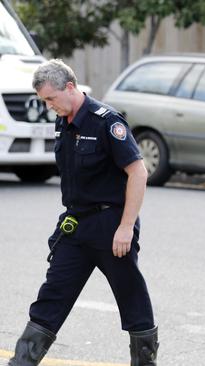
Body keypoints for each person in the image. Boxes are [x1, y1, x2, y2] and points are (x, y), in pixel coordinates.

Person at [9, 59, 158, 366]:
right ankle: (21, 363)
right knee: (52, 294)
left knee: (132, 299)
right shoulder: (63, 121)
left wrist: (126, 227)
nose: (49, 105)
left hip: (111, 226)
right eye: (44, 101)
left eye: (51, 98)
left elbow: (138, 172)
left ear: (70, 87)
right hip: (76, 225)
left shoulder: (107, 122)